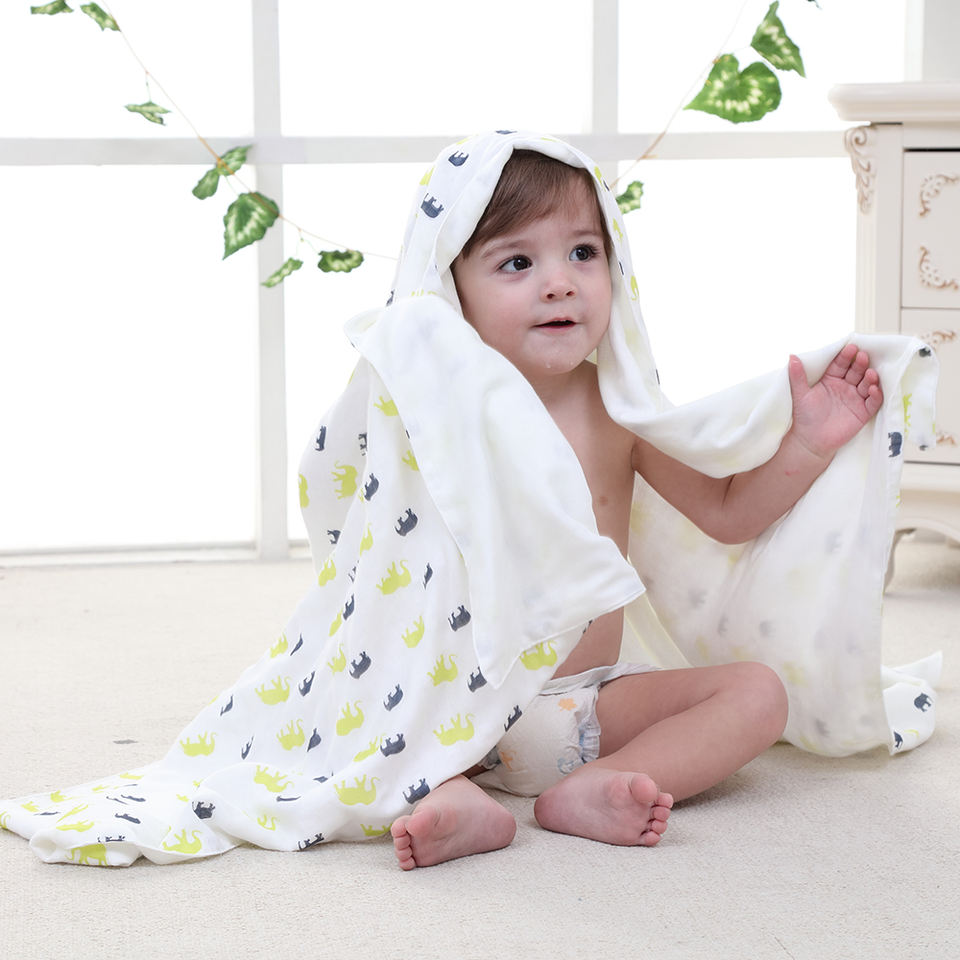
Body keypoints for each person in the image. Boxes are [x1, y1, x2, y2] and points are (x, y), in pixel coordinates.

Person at [390, 148, 883, 870]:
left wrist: (807, 444)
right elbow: (382, 569)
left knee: (758, 694)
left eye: (583, 253)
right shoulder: (431, 415)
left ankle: (597, 784)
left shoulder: (618, 409)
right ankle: (456, 795)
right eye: (517, 262)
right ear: (448, 289)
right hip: (461, 703)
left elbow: (727, 514)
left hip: (591, 703)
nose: (560, 283)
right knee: (374, 715)